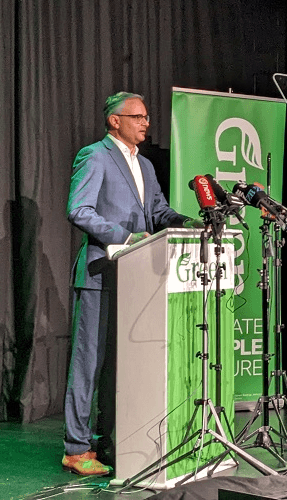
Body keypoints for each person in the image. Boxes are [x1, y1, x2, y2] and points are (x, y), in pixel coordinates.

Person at [63, 92, 195, 475]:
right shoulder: (94, 156)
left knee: (118, 367)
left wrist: (187, 223)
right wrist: (123, 237)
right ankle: (75, 448)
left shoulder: (148, 166)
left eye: (147, 116)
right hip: (100, 274)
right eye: (137, 116)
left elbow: (157, 211)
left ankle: (107, 443)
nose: (146, 122)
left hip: (137, 279)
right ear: (114, 121)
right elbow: (78, 209)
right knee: (89, 364)